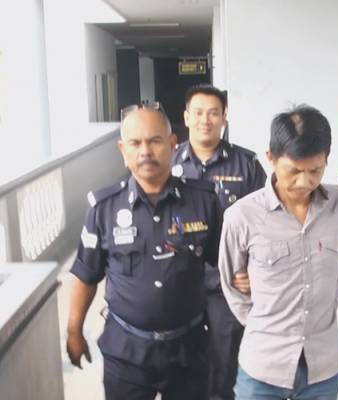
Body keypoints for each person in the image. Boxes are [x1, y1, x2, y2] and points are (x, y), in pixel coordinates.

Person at [66, 103, 222, 399]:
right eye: (135, 143)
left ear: (173, 144)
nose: (145, 151)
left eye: (154, 141)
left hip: (189, 350)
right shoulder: (103, 209)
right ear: (122, 150)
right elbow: (86, 275)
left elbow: (226, 265)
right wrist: (74, 331)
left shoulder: (204, 201)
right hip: (126, 353)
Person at [218, 105, 338, 400]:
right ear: (271, 157)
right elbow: (231, 286)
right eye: (293, 171)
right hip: (264, 369)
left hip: (323, 367)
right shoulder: (242, 216)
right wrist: (266, 326)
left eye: (315, 171)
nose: (305, 182)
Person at [170, 84, 266, 400]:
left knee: (224, 363)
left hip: (228, 283)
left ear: (224, 117)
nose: (205, 120)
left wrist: (253, 269)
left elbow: (265, 223)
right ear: (186, 117)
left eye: (213, 113)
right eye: (198, 113)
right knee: (182, 362)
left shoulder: (246, 164)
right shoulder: (169, 163)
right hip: (180, 282)